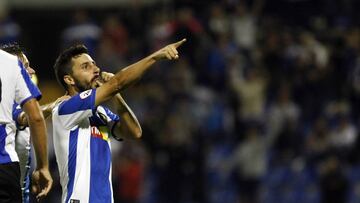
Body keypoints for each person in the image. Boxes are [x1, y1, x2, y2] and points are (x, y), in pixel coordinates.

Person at [52, 38, 186, 202]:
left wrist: (116, 94)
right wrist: (156, 56)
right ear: (69, 79)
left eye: (94, 64)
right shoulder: (66, 109)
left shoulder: (101, 113)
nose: (95, 69)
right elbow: (119, 81)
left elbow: (134, 131)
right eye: (85, 67)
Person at [1, 43, 68, 203]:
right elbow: (30, 117)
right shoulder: (13, 102)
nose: (32, 71)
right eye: (25, 66)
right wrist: (55, 106)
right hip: (4, 170)